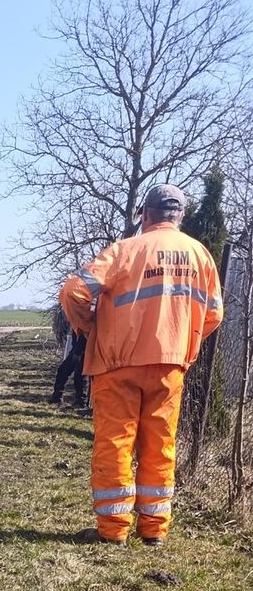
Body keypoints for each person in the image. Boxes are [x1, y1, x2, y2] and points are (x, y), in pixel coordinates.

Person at [59, 184, 223, 547]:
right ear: (179, 217)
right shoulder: (201, 255)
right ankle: (153, 530)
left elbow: (74, 291)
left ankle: (114, 530)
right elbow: (214, 314)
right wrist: (183, 343)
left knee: (115, 444)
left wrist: (89, 327)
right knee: (159, 445)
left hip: (118, 363)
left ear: (145, 215)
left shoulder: (126, 250)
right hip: (170, 366)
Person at [50, 321, 88, 408]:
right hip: (76, 349)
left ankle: (81, 401)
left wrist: (79, 352)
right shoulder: (76, 316)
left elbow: (86, 335)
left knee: (79, 376)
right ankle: (57, 396)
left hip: (86, 350)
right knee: (63, 370)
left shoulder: (84, 315)